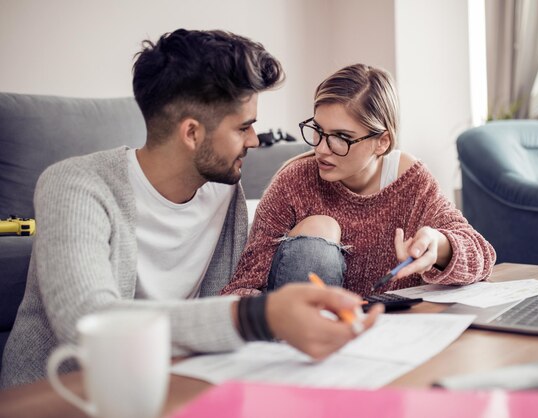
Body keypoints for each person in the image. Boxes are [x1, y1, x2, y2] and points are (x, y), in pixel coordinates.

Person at [0, 30, 382, 389]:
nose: (254, 140)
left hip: (174, 388)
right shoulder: (74, 185)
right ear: (192, 133)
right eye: (243, 127)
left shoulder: (224, 192)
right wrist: (258, 315)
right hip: (63, 396)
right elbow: (88, 320)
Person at [221, 64, 496, 297]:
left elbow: (482, 256)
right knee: (321, 227)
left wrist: (440, 245)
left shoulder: (411, 182)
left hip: (390, 336)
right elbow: (243, 286)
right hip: (302, 336)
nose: (321, 149)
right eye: (318, 130)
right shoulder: (294, 182)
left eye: (341, 137)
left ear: (382, 142)